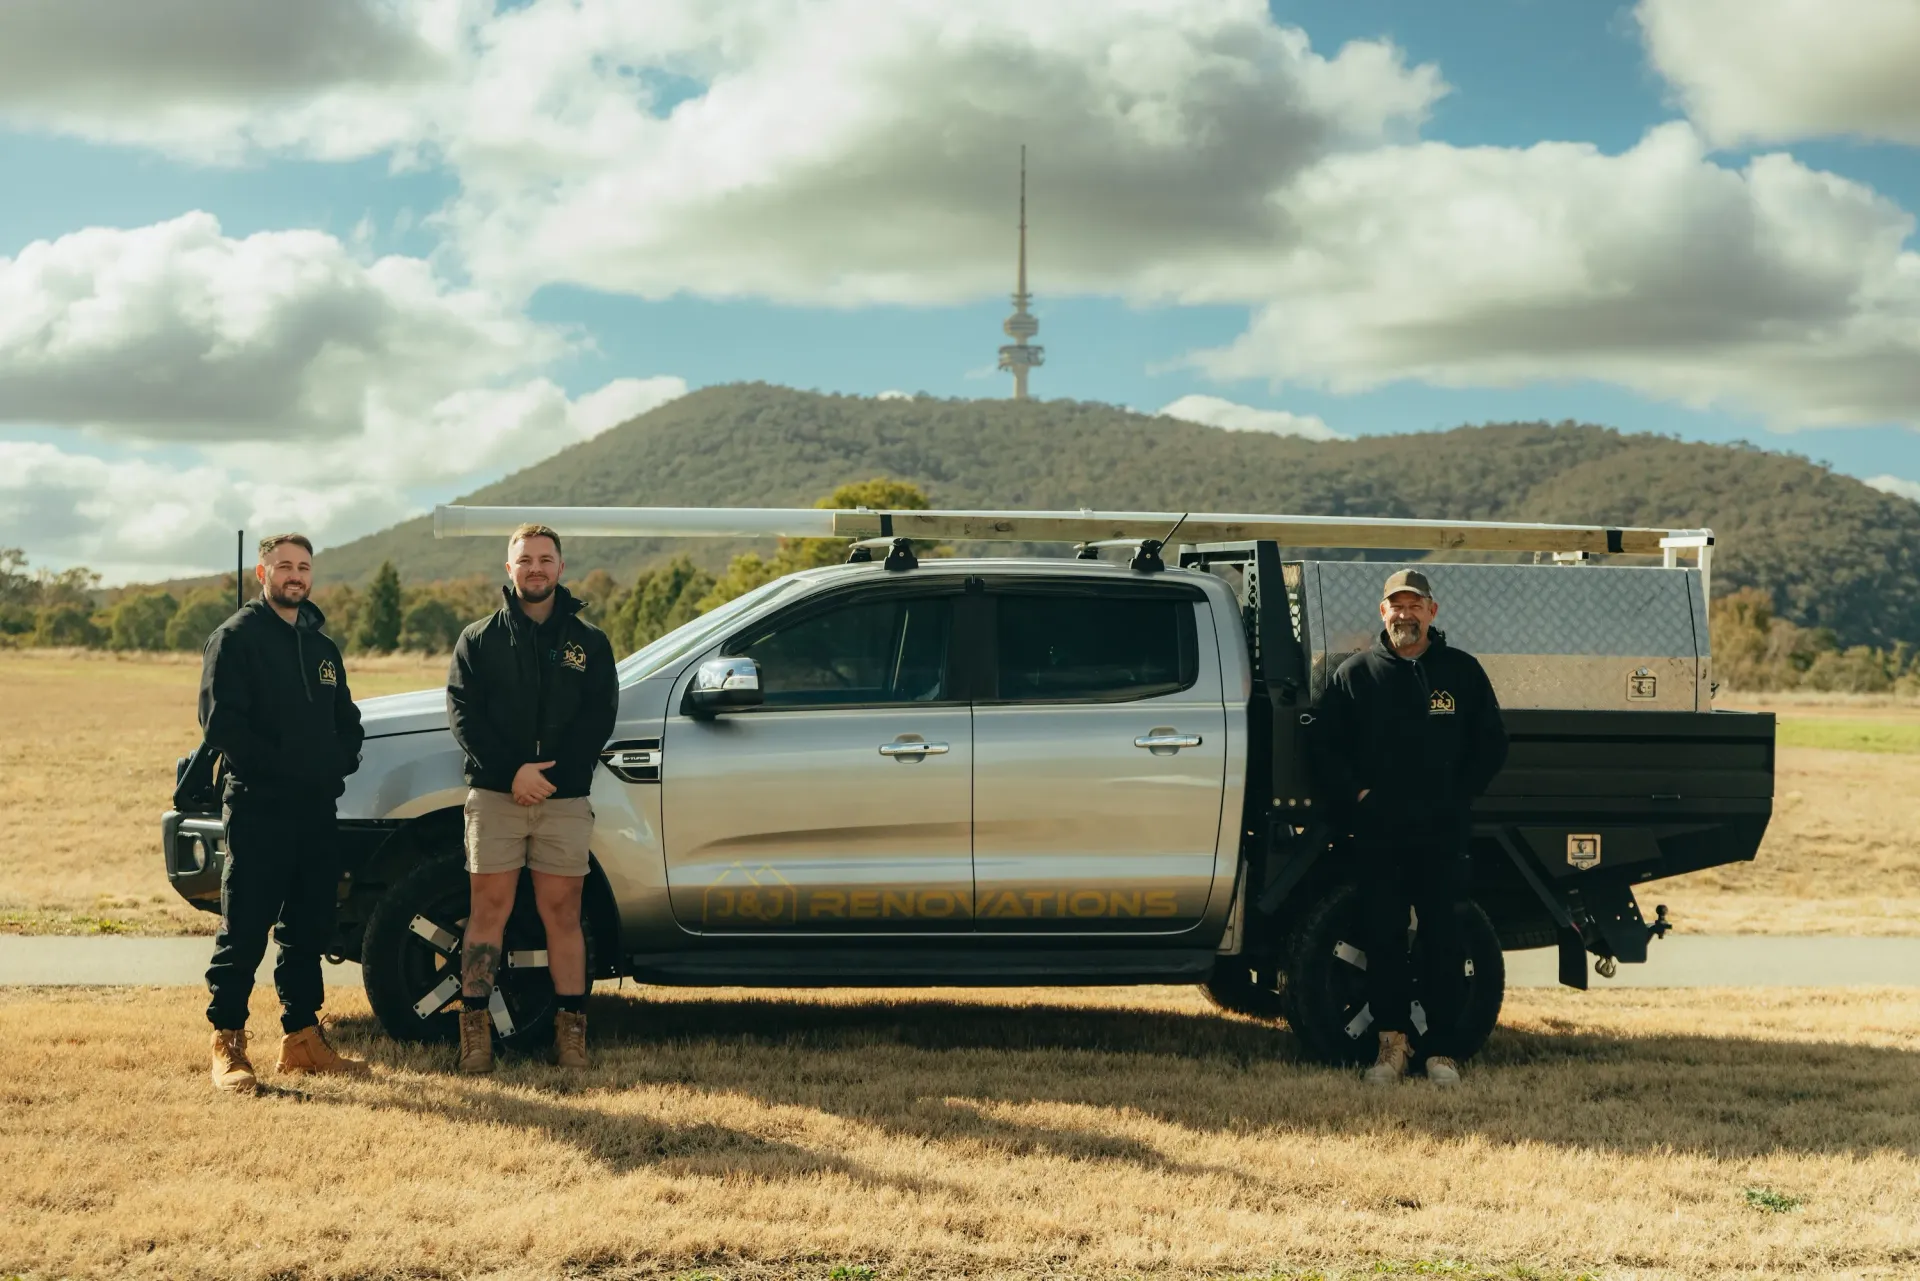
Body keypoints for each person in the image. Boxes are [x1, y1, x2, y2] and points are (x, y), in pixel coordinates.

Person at [1309, 568, 1508, 1087]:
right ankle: (1391, 1046)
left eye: (1415, 605)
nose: (1405, 614)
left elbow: (1491, 744)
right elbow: (1325, 749)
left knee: (1444, 937)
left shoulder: (1461, 671)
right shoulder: (1355, 675)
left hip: (1443, 832)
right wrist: (1361, 797)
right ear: (1383, 612)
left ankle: (1443, 1050)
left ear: (1432, 612)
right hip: (1381, 833)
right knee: (1383, 936)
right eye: (1396, 605)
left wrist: (1457, 797)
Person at [446, 523, 617, 1074]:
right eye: (525, 560)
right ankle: (475, 1032)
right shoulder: (478, 640)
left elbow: (598, 719)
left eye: (545, 559)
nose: (536, 568)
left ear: (561, 568)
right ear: (509, 568)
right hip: (495, 797)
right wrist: (511, 773)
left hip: (564, 801)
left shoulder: (590, 643)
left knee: (563, 913)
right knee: (487, 912)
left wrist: (550, 778)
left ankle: (571, 1034)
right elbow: (463, 716)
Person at [201, 533, 370, 1093]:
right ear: (262, 573)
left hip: (316, 809)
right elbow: (222, 725)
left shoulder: (322, 648)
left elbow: (347, 722)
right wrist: (285, 770)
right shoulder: (235, 638)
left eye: (303, 567)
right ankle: (228, 1040)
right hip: (260, 806)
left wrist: (337, 765)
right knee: (246, 926)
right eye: (284, 566)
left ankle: (301, 1040)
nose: (295, 575)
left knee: (308, 926)